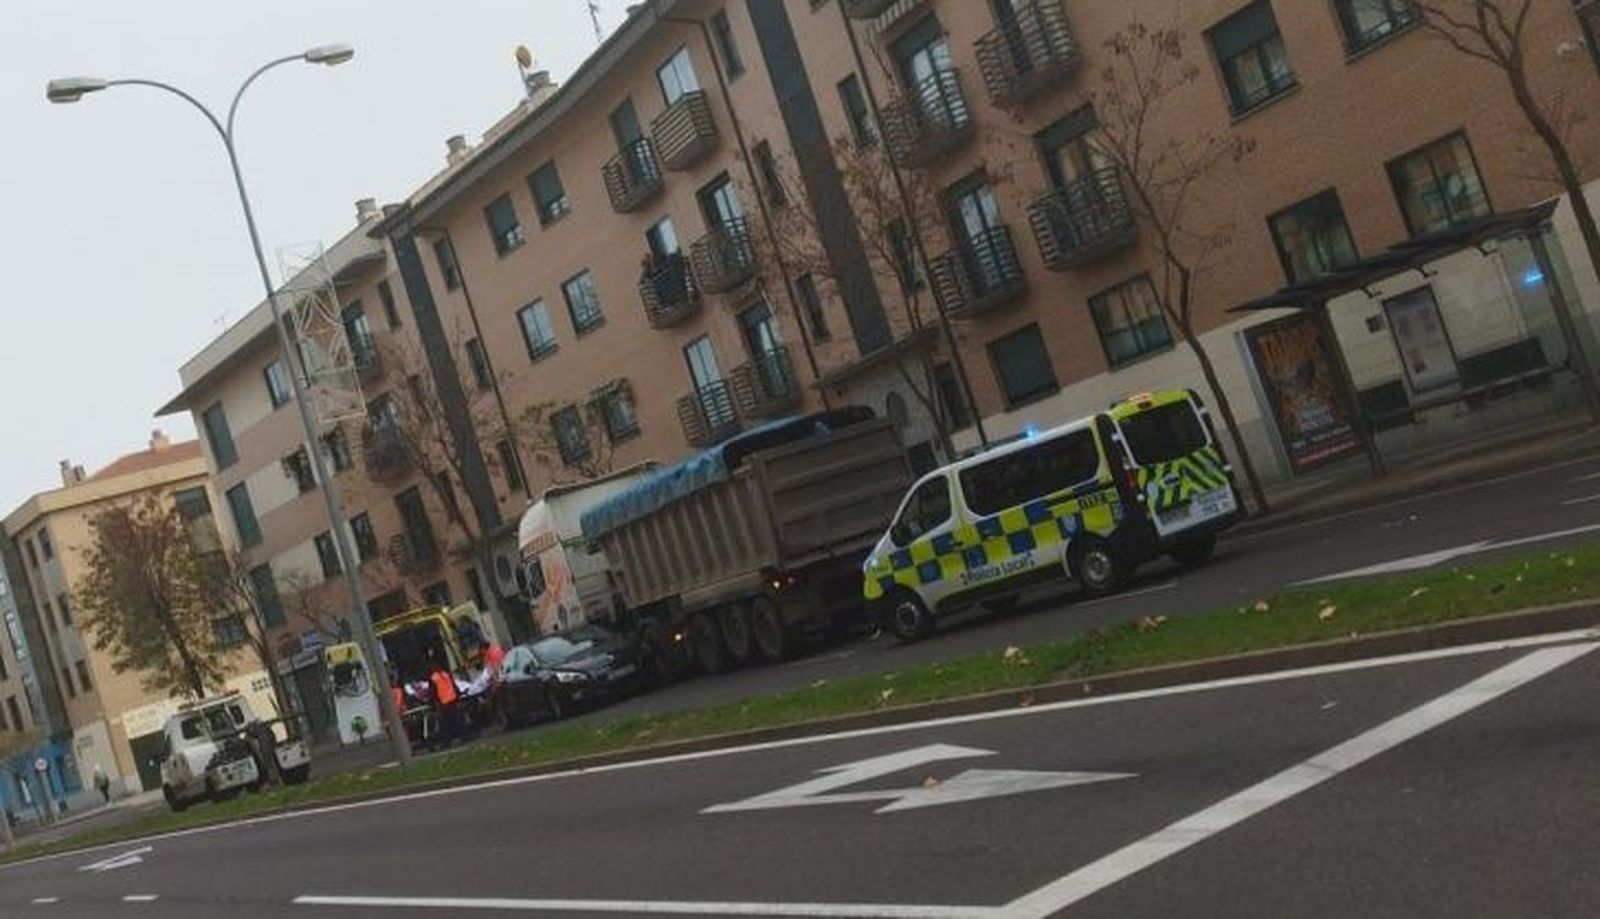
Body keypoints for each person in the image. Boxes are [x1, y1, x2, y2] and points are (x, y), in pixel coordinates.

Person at [426, 653, 462, 747]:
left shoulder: (433, 678)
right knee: (456, 720)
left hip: (443, 703)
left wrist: (431, 704)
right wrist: (458, 696)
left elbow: (432, 693)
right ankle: (464, 736)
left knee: (445, 724)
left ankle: (447, 742)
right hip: (453, 699)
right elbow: (454, 686)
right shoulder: (445, 674)